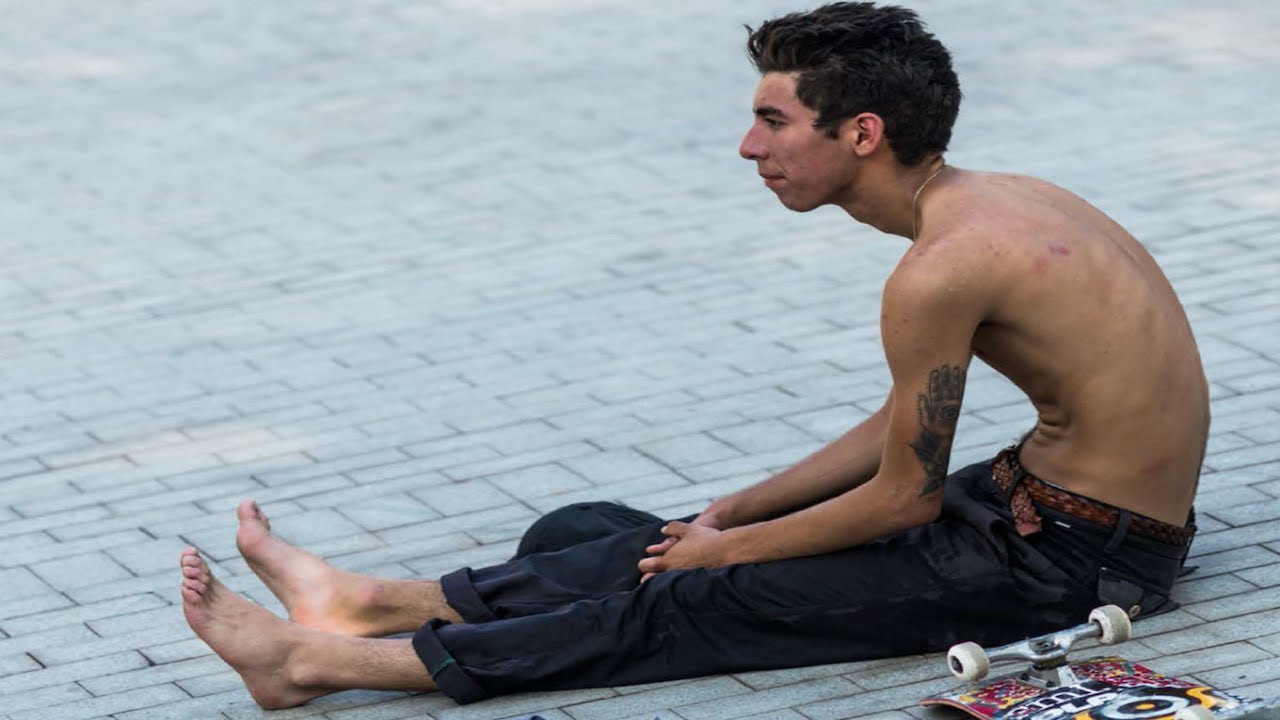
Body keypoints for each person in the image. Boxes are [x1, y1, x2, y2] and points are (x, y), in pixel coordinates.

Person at [179, 1, 1208, 709]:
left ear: (859, 132)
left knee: (692, 598)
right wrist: (733, 513)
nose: (748, 148)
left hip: (1071, 562)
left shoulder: (941, 267)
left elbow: (903, 499)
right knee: (599, 534)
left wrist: (725, 555)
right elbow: (901, 422)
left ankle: (315, 663)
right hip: (1036, 512)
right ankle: (368, 603)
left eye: (772, 120)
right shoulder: (1003, 201)